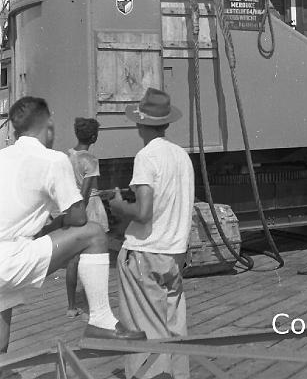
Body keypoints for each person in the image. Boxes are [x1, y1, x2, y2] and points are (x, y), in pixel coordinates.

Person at [0, 97, 145, 352]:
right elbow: (78, 218)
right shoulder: (53, 160)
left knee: (2, 308)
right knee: (94, 234)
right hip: (9, 258)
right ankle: (101, 320)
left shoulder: (3, 156)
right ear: (49, 127)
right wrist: (55, 225)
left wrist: (44, 228)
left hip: (4, 258)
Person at [110, 88, 194, 379]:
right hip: (174, 255)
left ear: (140, 124)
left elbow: (144, 212)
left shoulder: (146, 157)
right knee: (174, 330)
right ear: (166, 123)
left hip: (145, 253)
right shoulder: (181, 156)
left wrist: (120, 207)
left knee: (143, 333)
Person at [66, 118, 109, 318]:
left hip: (71, 207)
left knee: (73, 259)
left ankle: (71, 306)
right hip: (88, 207)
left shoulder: (69, 155)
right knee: (95, 257)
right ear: (93, 137)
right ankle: (94, 305)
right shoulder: (90, 159)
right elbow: (85, 192)